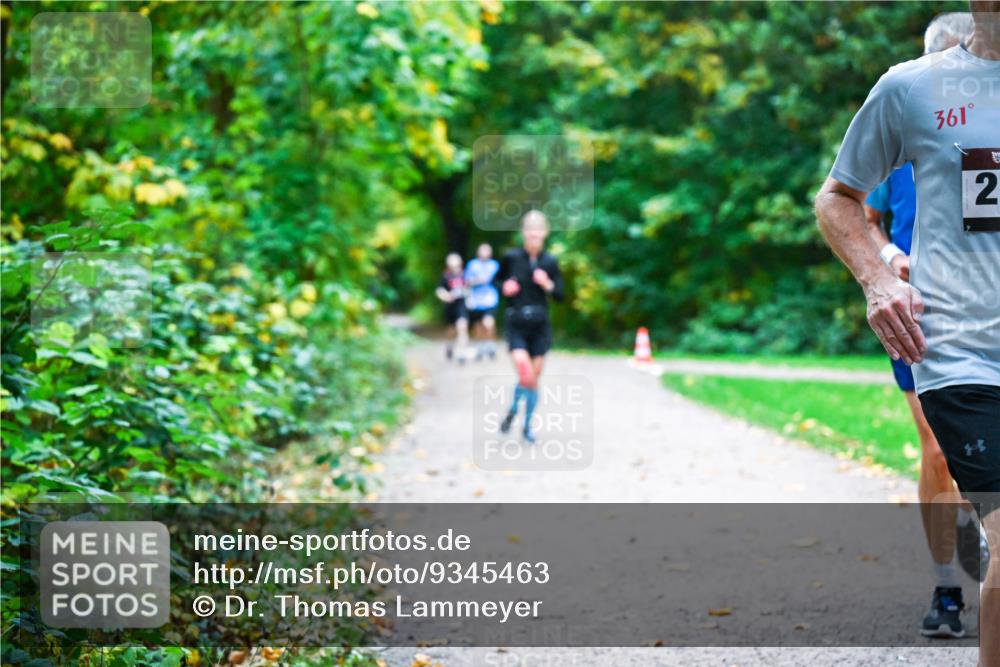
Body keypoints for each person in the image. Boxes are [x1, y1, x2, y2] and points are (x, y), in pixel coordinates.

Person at [815, 3, 999, 661]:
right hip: (947, 340)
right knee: (935, 452)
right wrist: (882, 274)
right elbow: (843, 200)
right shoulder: (911, 95)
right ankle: (948, 580)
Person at [861, 12, 989, 638]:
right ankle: (946, 588)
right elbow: (859, 214)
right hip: (919, 314)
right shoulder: (899, 131)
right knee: (938, 449)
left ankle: (979, 529)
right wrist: (889, 260)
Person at [495, 210, 563, 444]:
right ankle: (516, 413)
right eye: (530, 228)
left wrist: (547, 284)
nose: (534, 233)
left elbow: (560, 295)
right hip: (516, 323)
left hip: (540, 326)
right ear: (523, 232)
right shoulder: (511, 257)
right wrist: (505, 288)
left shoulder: (550, 261)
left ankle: (524, 424)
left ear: (545, 232)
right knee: (525, 373)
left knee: (532, 378)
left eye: (538, 228)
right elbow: (496, 282)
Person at [464, 243, 500, 361]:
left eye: (487, 251)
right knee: (478, 326)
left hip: (490, 300)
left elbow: (500, 280)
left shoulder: (495, 265)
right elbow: (467, 282)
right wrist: (477, 281)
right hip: (476, 301)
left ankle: (491, 345)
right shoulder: (472, 265)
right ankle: (479, 346)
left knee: (489, 323)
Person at [435, 253, 469, 363]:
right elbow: (439, 290)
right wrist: (446, 296)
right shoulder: (445, 276)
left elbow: (470, 288)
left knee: (462, 327)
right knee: (451, 331)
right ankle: (449, 346)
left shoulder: (465, 275)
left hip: (461, 306)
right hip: (450, 307)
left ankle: (462, 353)